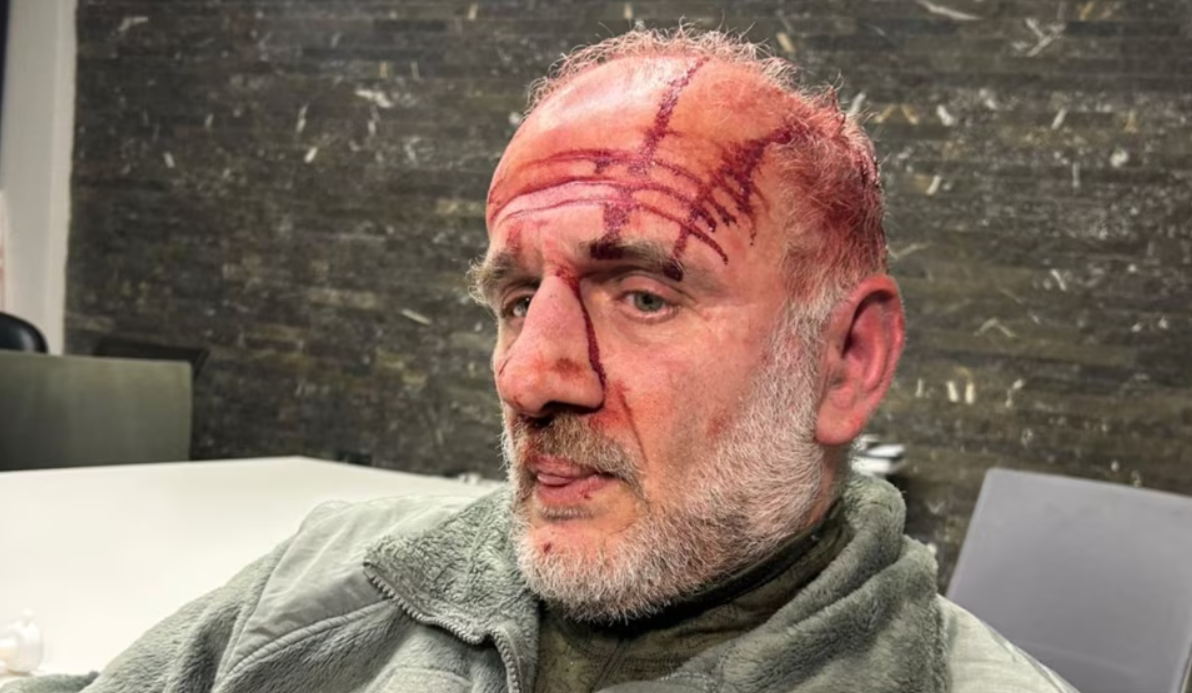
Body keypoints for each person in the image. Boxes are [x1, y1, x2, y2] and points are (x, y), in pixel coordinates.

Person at [4, 27, 1077, 693]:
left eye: (643, 294)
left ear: (845, 363)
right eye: (517, 300)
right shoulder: (328, 575)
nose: (527, 376)